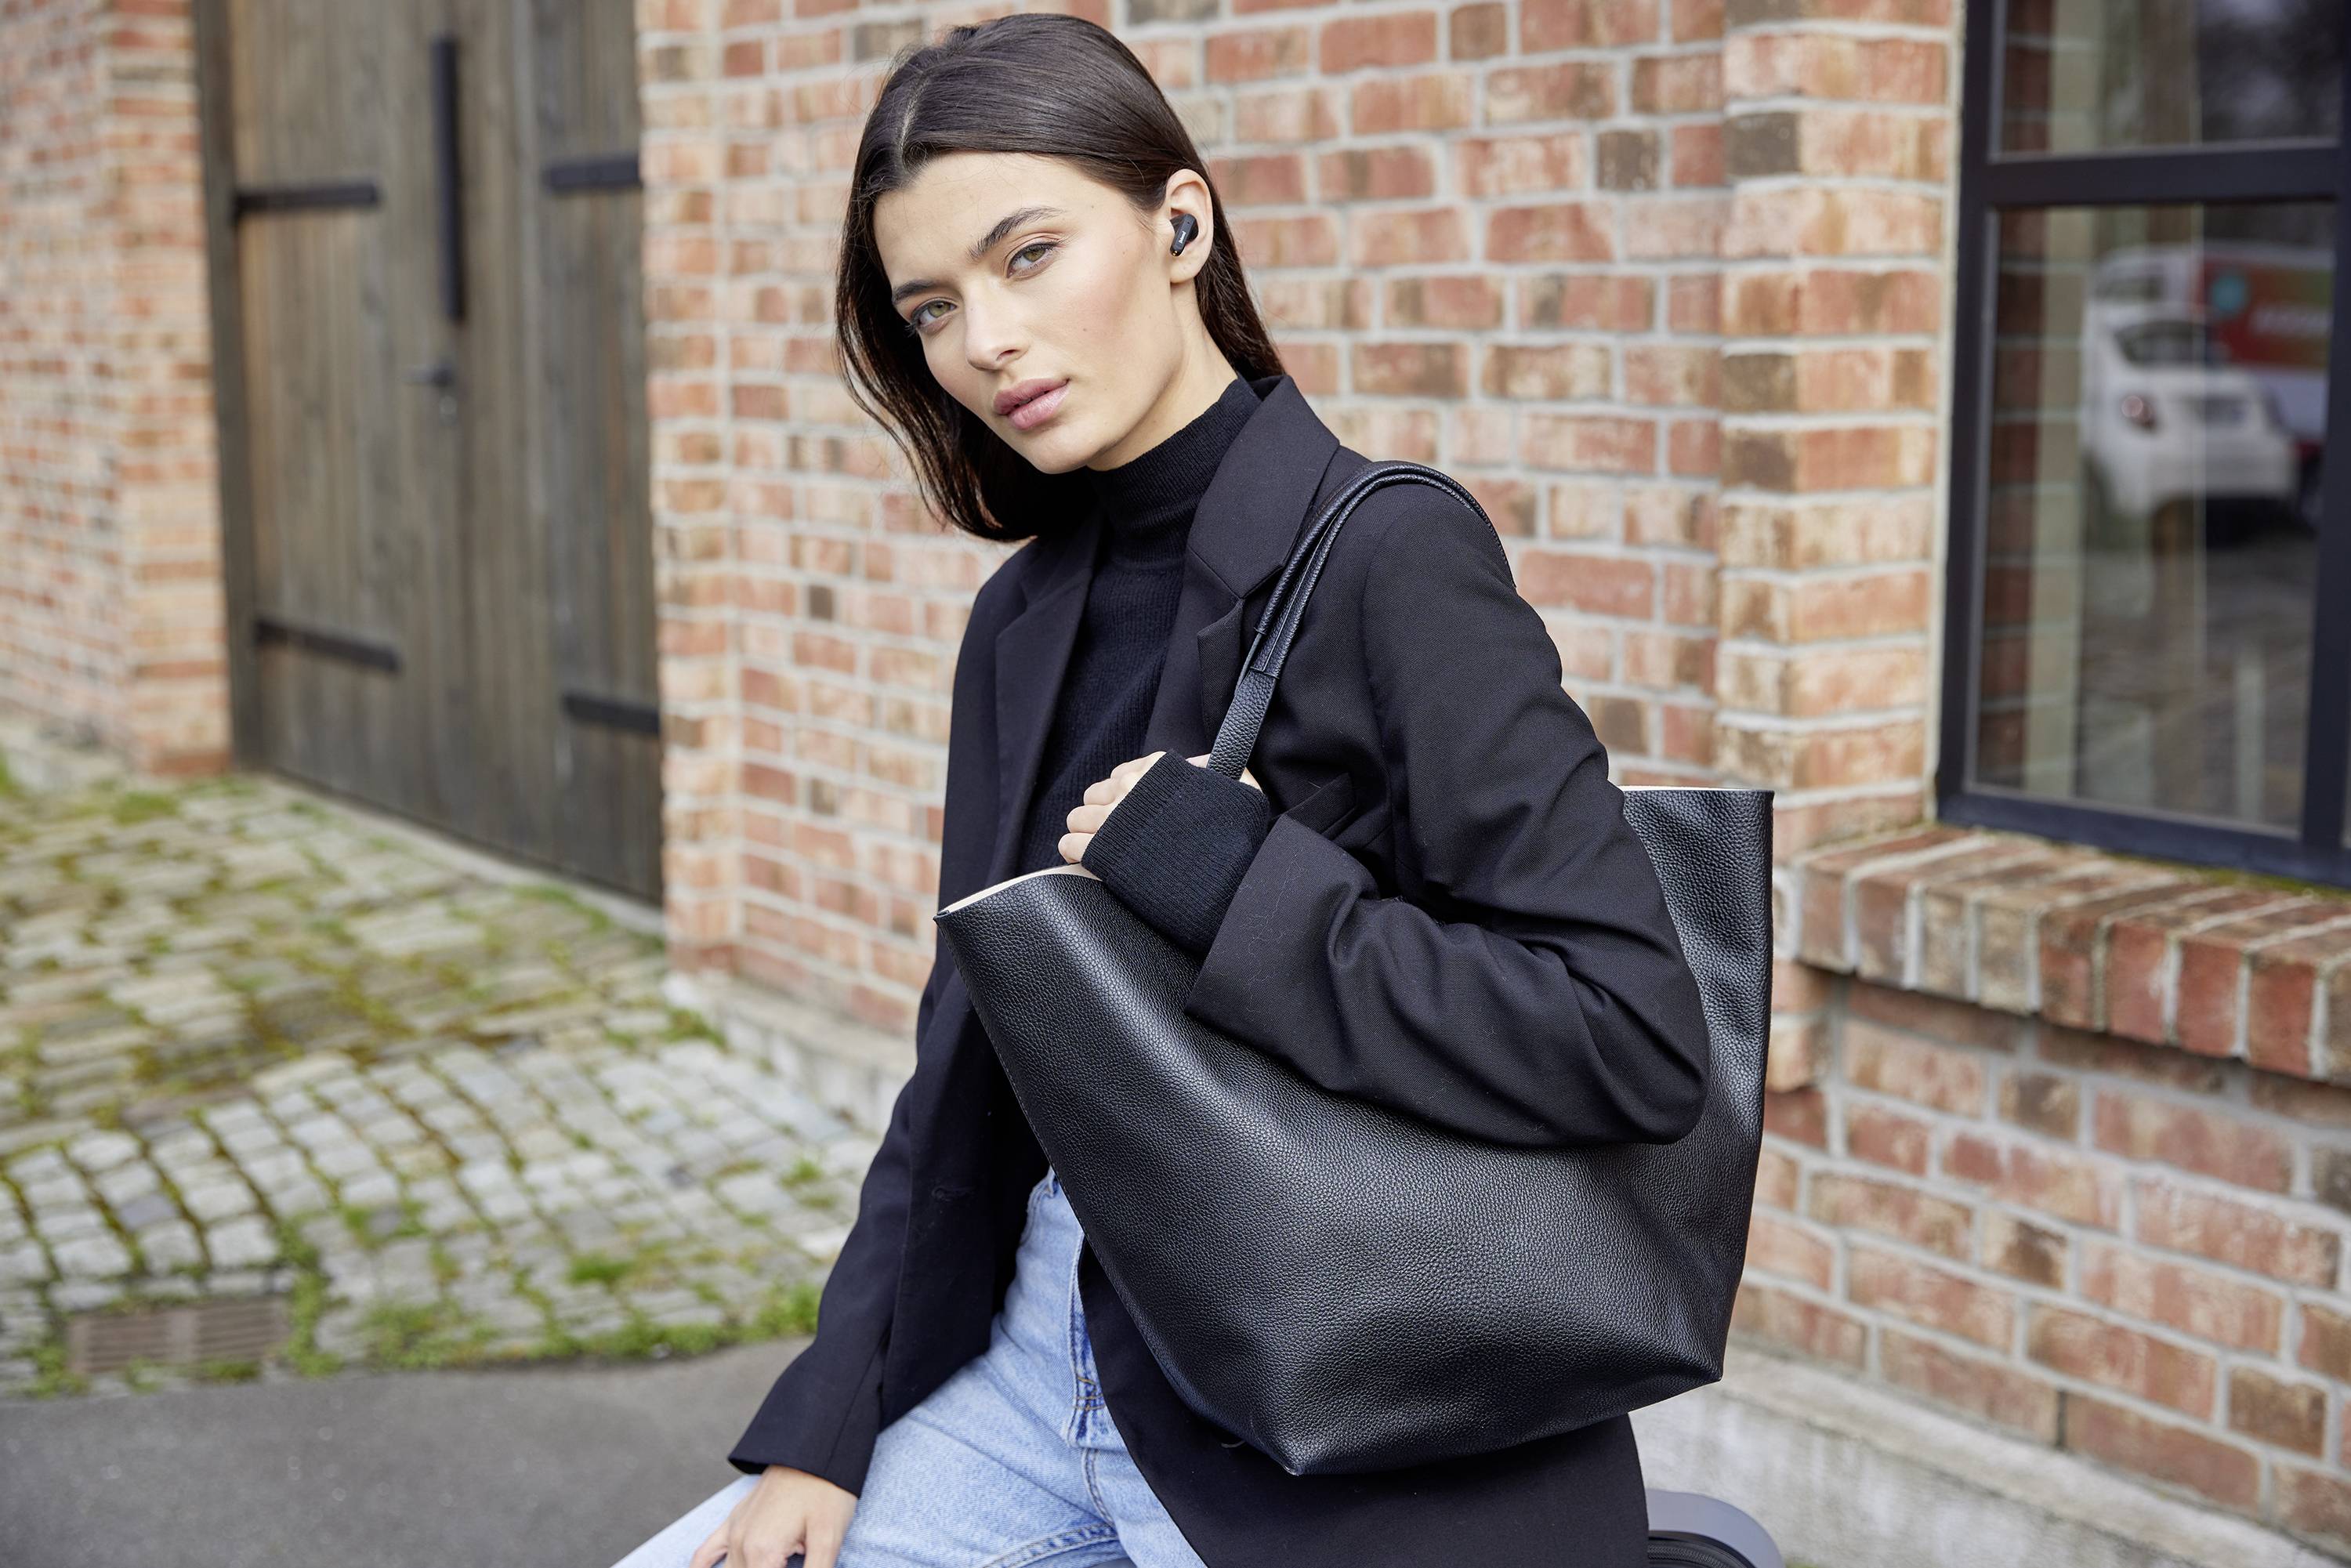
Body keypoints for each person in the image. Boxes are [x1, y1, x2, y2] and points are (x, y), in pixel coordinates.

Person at [610, 14, 1710, 1568]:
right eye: (934, 305)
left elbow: (1629, 1030)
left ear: (1180, 222)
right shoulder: (1021, 620)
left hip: (1330, 1413)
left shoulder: (1395, 556)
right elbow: (965, 1069)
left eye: (1028, 255)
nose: (984, 337)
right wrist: (826, 1419)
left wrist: (1243, 883)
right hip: (1034, 1365)